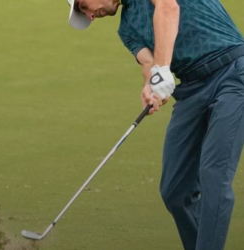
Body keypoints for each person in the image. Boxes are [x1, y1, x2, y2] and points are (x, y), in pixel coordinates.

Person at [64, 0, 244, 249]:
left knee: (214, 176)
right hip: (191, 91)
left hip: (233, 74)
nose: (90, 15)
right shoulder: (126, 28)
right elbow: (149, 64)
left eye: (84, 6)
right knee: (175, 190)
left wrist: (163, 68)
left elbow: (169, 8)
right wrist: (150, 86)